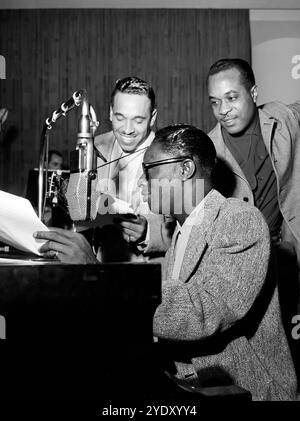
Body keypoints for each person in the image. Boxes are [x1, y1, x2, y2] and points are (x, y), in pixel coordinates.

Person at [139, 124, 296, 401]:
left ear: (184, 169)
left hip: (248, 392)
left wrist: (109, 284)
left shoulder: (238, 219)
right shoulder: (182, 230)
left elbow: (202, 313)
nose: (142, 182)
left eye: (148, 169)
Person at [33, 77, 173, 263]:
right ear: (110, 112)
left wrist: (147, 232)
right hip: (99, 269)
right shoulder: (94, 146)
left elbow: (187, 232)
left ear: (153, 117)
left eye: (138, 120)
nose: (127, 129)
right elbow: (79, 209)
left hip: (147, 278)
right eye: (120, 117)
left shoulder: (171, 156)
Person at [207, 58, 300, 265]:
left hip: (287, 257)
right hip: (239, 264)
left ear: (254, 93)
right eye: (215, 101)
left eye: (231, 98)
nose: (222, 110)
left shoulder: (283, 118)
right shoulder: (209, 152)